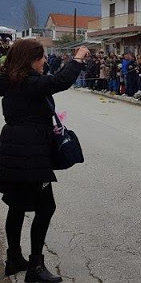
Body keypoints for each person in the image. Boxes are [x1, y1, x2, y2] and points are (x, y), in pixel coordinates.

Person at [0, 40, 90, 282]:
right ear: (30, 59)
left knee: (16, 206)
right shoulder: (29, 83)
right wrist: (78, 58)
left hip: (13, 149)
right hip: (30, 153)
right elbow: (59, 81)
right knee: (46, 206)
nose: (44, 62)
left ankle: (14, 258)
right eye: (41, 58)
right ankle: (36, 268)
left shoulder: (9, 81)